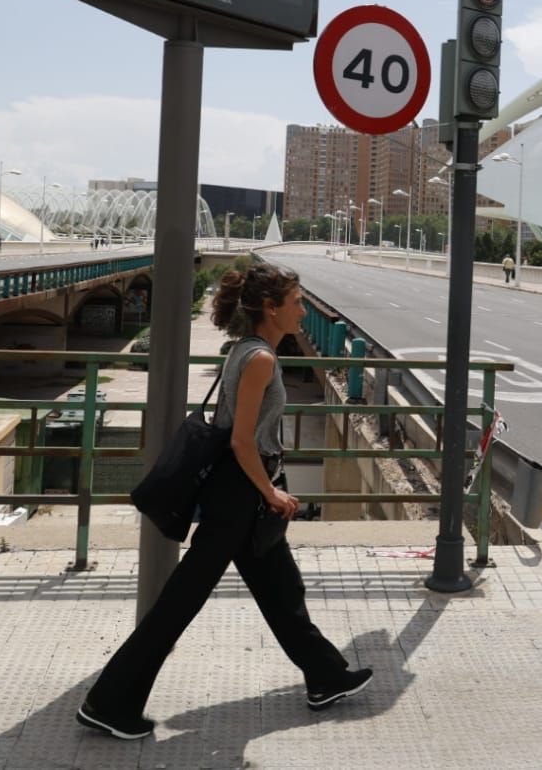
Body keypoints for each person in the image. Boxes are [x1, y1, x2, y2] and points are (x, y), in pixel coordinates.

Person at [78, 263, 372, 740]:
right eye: (296, 302)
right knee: (180, 601)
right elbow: (240, 440)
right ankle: (109, 702)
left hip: (242, 494)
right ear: (272, 308)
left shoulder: (246, 350)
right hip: (239, 495)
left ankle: (326, 676)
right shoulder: (260, 360)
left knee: (282, 590)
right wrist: (269, 490)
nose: (303, 309)